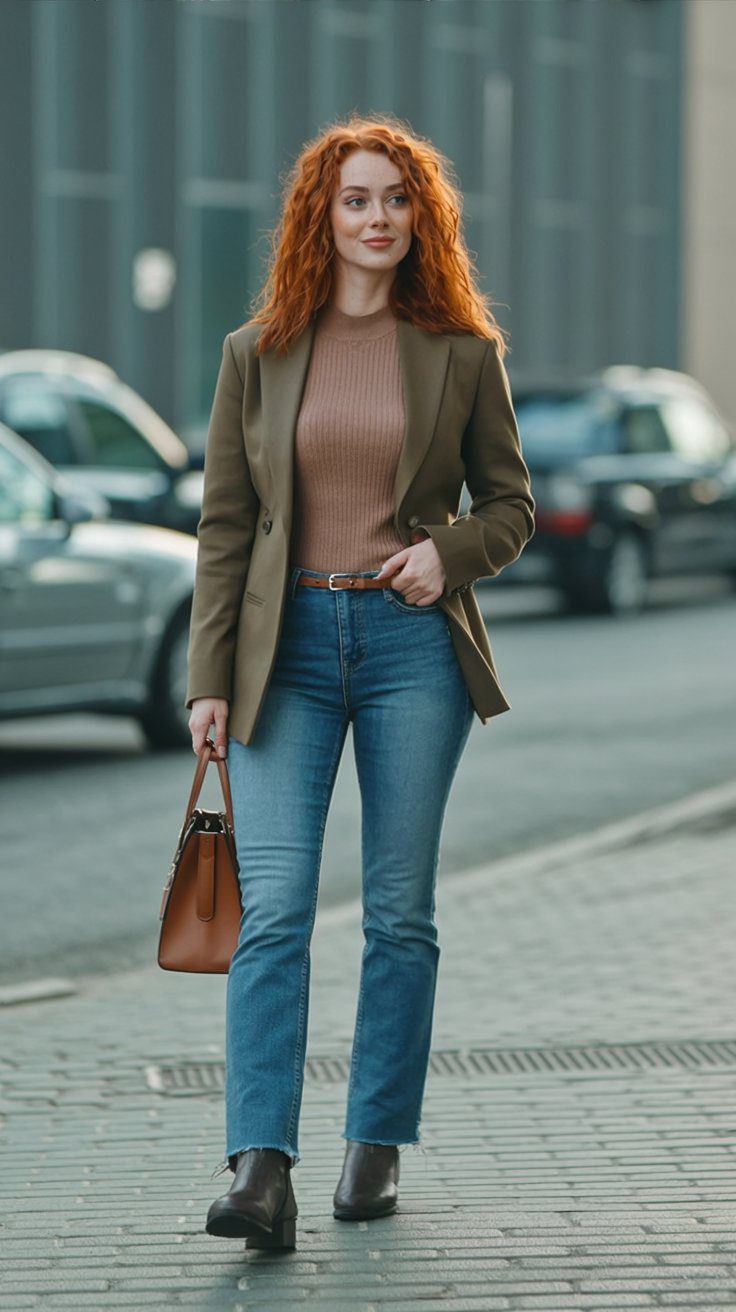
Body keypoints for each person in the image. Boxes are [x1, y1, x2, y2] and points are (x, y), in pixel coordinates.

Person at [185, 113, 534, 1251]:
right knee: (274, 913)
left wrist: (451, 553)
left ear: (418, 217)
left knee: (397, 914)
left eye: (394, 199)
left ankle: (375, 1141)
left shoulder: (462, 352)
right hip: (280, 653)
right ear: (319, 218)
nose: (375, 217)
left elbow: (513, 505)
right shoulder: (259, 352)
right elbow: (226, 527)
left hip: (408, 651)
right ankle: (261, 1166)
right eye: (355, 200)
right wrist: (207, 679)